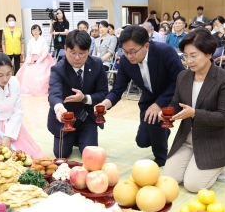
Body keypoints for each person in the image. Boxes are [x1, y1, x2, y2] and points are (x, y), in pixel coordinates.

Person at [161, 28, 225, 192]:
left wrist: (194, 113)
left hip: (213, 140)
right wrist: (168, 113)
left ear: (209, 53)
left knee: (193, 186)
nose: (189, 60)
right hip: (187, 139)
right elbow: (176, 102)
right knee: (170, 179)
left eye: (194, 55)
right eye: (186, 56)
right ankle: (196, 163)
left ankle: (221, 165)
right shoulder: (183, 76)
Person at [99, 25, 184, 167]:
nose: (129, 56)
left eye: (132, 52)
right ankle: (162, 132)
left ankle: (162, 158)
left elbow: (180, 81)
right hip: (148, 101)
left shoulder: (164, 52)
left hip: (171, 97)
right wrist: (105, 103)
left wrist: (159, 104)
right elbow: (118, 89)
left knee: (154, 121)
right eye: (125, 52)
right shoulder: (126, 61)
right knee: (142, 141)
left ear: (146, 46)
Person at [47, 30, 108, 158]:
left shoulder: (97, 64)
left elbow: (103, 93)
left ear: (89, 50)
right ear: (65, 49)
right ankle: (73, 138)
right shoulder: (58, 69)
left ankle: (82, 136)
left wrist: (85, 98)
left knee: (89, 154)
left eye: (82, 53)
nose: (77, 57)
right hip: (67, 117)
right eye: (72, 53)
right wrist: (59, 108)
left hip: (87, 117)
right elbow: (54, 93)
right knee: (61, 154)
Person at [15, 24, 55, 96]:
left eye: (37, 30)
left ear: (40, 31)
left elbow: (44, 53)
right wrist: (29, 61)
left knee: (41, 71)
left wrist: (38, 61)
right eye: (33, 30)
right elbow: (29, 52)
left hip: (42, 58)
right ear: (31, 32)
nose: (35, 31)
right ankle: (27, 89)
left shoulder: (43, 40)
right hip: (32, 58)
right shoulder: (30, 41)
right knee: (26, 70)